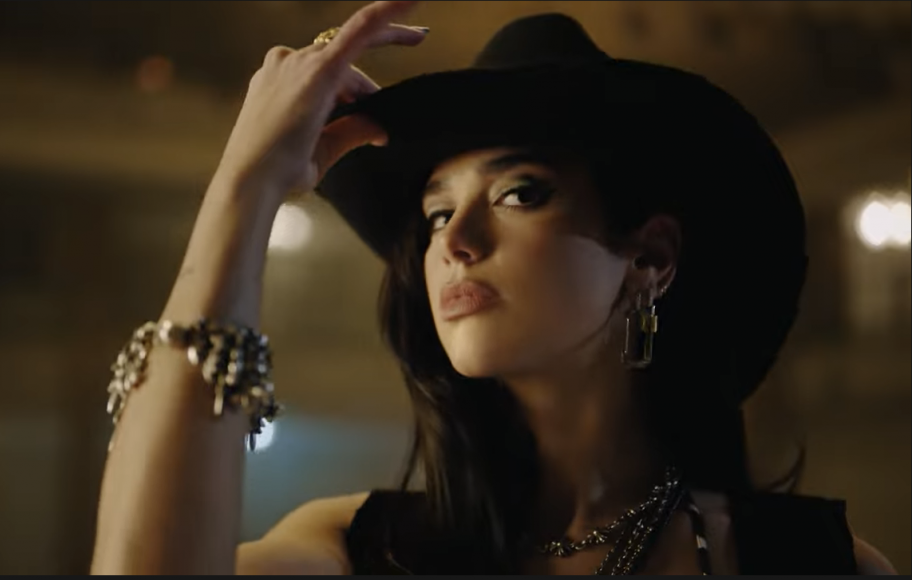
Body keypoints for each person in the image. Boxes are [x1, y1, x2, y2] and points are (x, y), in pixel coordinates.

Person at [90, 1, 898, 575]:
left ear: (650, 258)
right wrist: (245, 192)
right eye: (436, 214)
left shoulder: (812, 563)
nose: (456, 243)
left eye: (520, 193)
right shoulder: (355, 551)